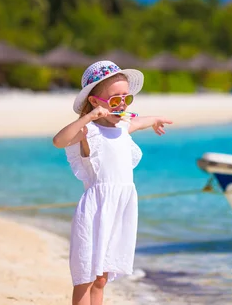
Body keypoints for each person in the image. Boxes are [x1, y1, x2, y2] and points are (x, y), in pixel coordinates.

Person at [52, 60, 173, 305]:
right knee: (85, 276)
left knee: (101, 279)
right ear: (96, 101)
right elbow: (59, 140)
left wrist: (156, 119)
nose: (121, 104)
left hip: (121, 208)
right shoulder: (89, 132)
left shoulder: (123, 127)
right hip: (97, 209)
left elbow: (140, 122)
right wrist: (88, 118)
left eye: (126, 99)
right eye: (114, 99)